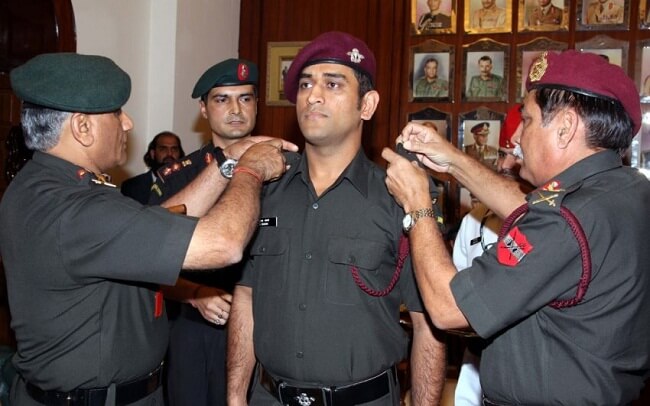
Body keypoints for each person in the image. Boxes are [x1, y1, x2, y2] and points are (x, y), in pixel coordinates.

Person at [0, 52, 296, 406]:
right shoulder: (82, 210)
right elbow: (224, 244)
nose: (127, 124)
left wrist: (226, 160)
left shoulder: (39, 185)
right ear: (82, 127)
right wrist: (250, 170)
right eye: (116, 113)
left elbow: (157, 224)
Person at [382, 49, 650, 404]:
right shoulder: (625, 187)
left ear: (566, 127)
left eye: (528, 120)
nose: (519, 137)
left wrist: (418, 203)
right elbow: (531, 210)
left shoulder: (567, 217)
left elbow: (448, 309)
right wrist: (454, 161)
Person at [227, 31, 446, 406]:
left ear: (367, 104)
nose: (313, 95)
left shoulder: (401, 197)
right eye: (306, 85)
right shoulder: (263, 191)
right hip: (269, 397)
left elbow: (430, 323)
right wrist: (234, 396)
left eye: (332, 84)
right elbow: (245, 298)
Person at [149, 58, 260, 406]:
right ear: (203, 108)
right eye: (222, 99)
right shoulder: (179, 178)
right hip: (197, 329)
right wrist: (194, 293)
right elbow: (146, 259)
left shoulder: (284, 169)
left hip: (265, 327)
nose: (235, 109)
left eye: (245, 98)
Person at [453, 105, 530, 406]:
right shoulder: (473, 219)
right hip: (477, 374)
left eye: (517, 153)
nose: (507, 163)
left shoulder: (555, 221)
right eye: (502, 153)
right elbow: (453, 304)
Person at [121, 131, 184, 204]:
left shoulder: (188, 184)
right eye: (163, 149)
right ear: (153, 154)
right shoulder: (131, 187)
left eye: (174, 149)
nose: (169, 154)